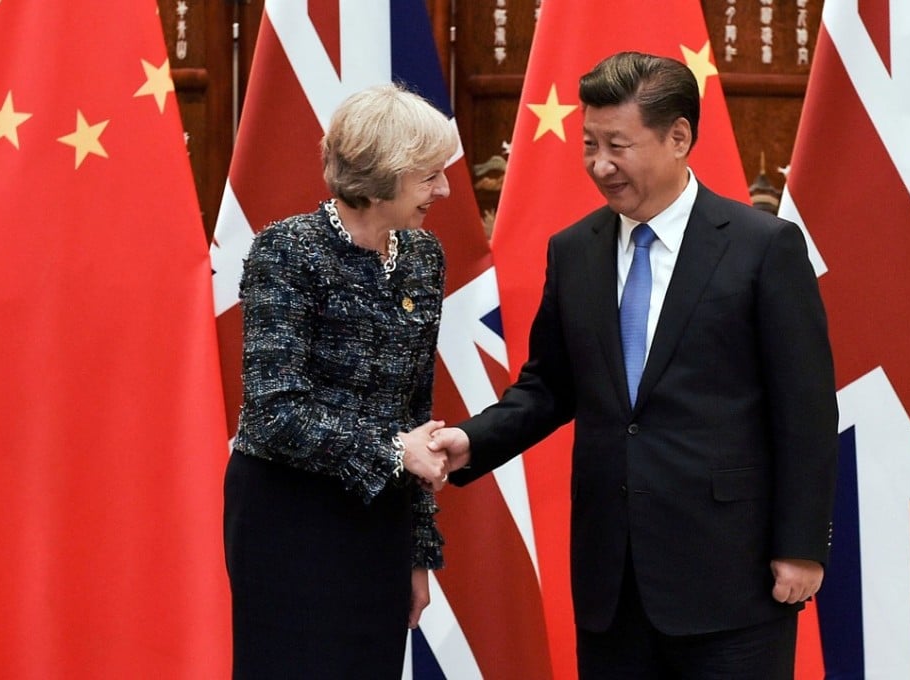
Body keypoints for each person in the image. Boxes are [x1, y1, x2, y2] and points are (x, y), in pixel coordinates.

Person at [431, 52, 838, 678]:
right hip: (611, 584)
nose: (600, 165)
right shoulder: (575, 251)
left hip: (733, 577)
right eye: (589, 144)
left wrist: (802, 547)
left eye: (617, 145)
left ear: (678, 137)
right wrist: (469, 439)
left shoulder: (763, 247)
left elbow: (805, 411)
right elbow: (548, 387)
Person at [223, 83, 457, 678]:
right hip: (290, 520)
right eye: (430, 175)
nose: (444, 189)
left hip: (380, 519)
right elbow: (275, 412)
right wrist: (390, 451)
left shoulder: (423, 257)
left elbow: (415, 415)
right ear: (386, 175)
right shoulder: (288, 250)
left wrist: (418, 556)